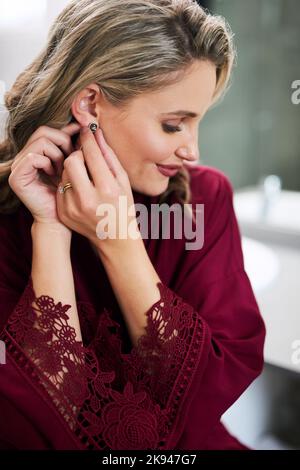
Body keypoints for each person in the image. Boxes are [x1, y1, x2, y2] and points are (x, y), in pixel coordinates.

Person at [0, 0, 265, 450]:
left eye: (196, 123)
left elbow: (208, 396)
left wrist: (119, 241)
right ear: (90, 104)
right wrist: (50, 229)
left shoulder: (204, 198)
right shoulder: (12, 213)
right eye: (172, 125)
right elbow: (47, 422)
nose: (192, 152)